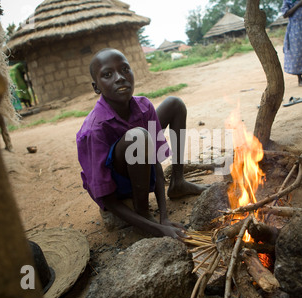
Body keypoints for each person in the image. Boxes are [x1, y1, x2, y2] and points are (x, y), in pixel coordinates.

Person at [76, 48, 209, 241]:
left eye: (125, 69)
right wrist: (157, 228)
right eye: (107, 74)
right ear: (96, 87)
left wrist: (164, 216)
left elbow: (154, 159)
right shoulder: (94, 129)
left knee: (174, 104)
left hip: (140, 159)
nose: (120, 78)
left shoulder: (144, 106)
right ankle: (142, 209)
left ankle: (178, 183)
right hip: (118, 183)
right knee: (139, 137)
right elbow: (107, 199)